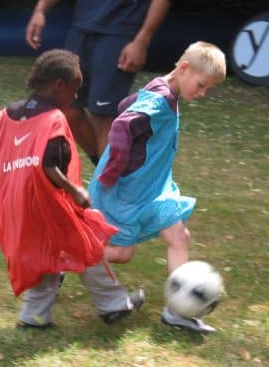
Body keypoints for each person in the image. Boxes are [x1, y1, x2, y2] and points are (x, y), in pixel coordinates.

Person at [0, 49, 144, 329]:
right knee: (87, 248)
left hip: (15, 202)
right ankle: (113, 305)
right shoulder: (54, 120)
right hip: (47, 203)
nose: (76, 98)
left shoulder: (8, 113)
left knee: (48, 254)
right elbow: (48, 166)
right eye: (75, 90)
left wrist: (15, 152)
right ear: (58, 85)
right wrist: (76, 191)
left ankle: (34, 317)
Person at [88, 41, 227, 333]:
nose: (202, 94)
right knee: (123, 254)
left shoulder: (163, 87)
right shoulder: (161, 99)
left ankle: (178, 312)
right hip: (128, 191)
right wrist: (113, 171)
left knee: (179, 236)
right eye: (201, 85)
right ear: (184, 69)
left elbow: (127, 104)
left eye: (207, 90)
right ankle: (68, 257)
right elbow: (123, 124)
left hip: (154, 189)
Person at [25, 0, 176, 165]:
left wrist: (142, 40)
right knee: (66, 109)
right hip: (80, 30)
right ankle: (108, 171)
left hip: (119, 32)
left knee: (103, 116)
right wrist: (40, 11)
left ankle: (109, 183)